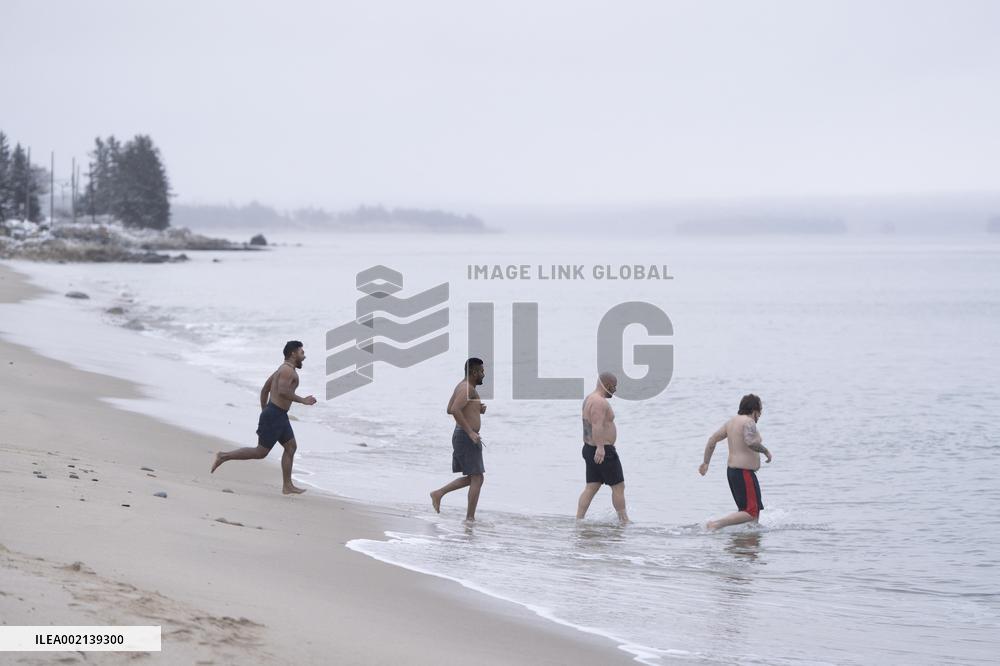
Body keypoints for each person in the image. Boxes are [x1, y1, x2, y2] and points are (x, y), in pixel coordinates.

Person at [211, 340, 316, 494]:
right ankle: (224, 456)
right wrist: (303, 400)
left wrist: (264, 410)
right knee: (260, 452)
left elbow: (265, 390)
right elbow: (282, 391)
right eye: (302, 353)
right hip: (275, 415)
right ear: (293, 354)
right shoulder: (288, 371)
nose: (304, 356)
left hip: (277, 414)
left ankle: (287, 486)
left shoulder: (281, 369)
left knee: (291, 447)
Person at [699, 393, 772, 530]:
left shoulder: (731, 422)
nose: (761, 414)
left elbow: (712, 440)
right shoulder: (748, 421)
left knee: (751, 513)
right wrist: (766, 451)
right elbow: (750, 442)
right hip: (743, 473)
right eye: (760, 410)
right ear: (754, 410)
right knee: (751, 512)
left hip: (733, 472)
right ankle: (716, 524)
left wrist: (706, 462)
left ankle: (746, 545)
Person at [430, 358, 487, 521]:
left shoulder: (462, 386)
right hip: (466, 436)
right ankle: (470, 518)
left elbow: (450, 408)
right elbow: (454, 409)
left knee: (474, 477)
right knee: (477, 478)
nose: (483, 374)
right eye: (481, 371)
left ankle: (438, 493)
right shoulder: (467, 388)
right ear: (474, 372)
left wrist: (476, 408)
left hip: (463, 435)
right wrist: (470, 433)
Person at [577, 372, 629, 523]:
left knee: (591, 487)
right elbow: (597, 425)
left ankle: (578, 520)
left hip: (589, 449)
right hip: (602, 451)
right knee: (619, 487)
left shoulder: (589, 398)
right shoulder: (600, 402)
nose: (615, 390)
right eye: (614, 387)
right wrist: (601, 448)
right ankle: (624, 521)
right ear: (606, 385)